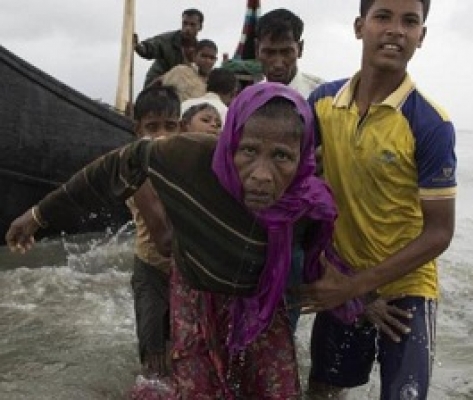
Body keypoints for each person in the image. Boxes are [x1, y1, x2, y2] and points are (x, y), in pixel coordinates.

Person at [6, 83, 359, 399]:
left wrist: (363, 295)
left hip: (260, 304)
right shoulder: (186, 157)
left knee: (276, 391)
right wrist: (39, 215)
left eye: (282, 156)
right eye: (249, 151)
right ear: (230, 142)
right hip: (195, 296)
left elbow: (321, 260)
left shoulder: (309, 202)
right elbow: (112, 167)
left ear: (302, 161)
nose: (262, 174)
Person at [301, 1, 457, 399]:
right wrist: (337, 277)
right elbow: (295, 190)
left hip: (406, 289)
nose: (396, 30)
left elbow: (439, 232)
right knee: (322, 391)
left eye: (410, 21)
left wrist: (358, 288)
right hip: (342, 274)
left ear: (421, 36)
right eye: (383, 16)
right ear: (359, 26)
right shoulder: (322, 102)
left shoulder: (430, 123)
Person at [126, 85, 180, 378]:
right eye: (152, 127)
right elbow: (163, 240)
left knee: (185, 347)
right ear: (137, 130)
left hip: (185, 273)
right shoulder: (135, 171)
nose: (161, 135)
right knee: (155, 353)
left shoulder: (186, 165)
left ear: (181, 128)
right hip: (151, 270)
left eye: (170, 126)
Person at [255, 8, 324, 98]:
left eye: (286, 52)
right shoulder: (246, 101)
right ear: (256, 50)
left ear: (300, 49)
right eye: (269, 53)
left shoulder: (324, 98)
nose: (278, 64)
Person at [135, 9, 204, 87]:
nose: (187, 28)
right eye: (185, 24)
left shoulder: (200, 50)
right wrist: (138, 46)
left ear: (200, 27)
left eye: (192, 25)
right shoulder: (168, 40)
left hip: (182, 89)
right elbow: (149, 47)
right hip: (157, 86)